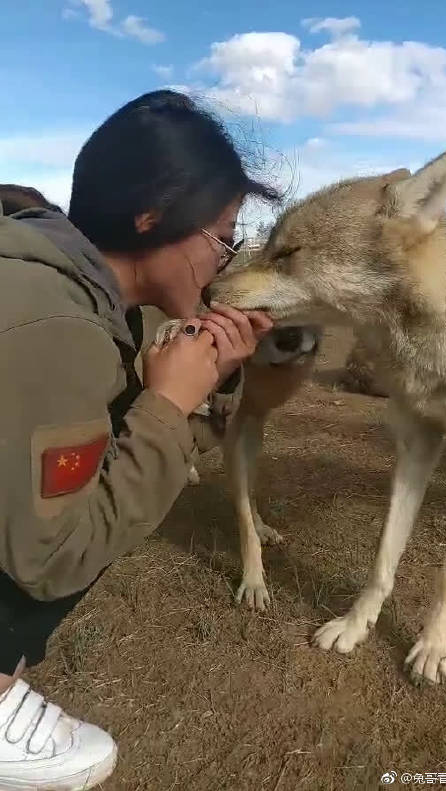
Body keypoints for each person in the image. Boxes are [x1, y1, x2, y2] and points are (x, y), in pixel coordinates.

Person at [0, 90, 277, 790]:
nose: (228, 261)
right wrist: (166, 402)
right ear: (151, 214)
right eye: (224, 236)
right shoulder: (58, 327)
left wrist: (202, 382)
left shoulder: (48, 280)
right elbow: (52, 557)